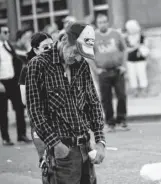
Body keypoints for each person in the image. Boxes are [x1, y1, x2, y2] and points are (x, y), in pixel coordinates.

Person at [25, 22, 106, 184]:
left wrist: (100, 140)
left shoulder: (81, 64)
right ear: (64, 40)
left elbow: (93, 103)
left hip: (85, 147)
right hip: (62, 151)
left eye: (81, 54)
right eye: (76, 51)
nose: (77, 57)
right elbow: (35, 111)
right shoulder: (38, 65)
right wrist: (55, 143)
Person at [19, 31, 53, 184]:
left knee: (65, 162)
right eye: (46, 47)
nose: (51, 49)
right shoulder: (27, 70)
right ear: (36, 50)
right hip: (40, 122)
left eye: (53, 46)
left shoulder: (57, 66)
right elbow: (25, 100)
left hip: (60, 121)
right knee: (47, 161)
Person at [91, 13, 129, 132]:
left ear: (108, 22)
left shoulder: (116, 34)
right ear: (97, 24)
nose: (103, 24)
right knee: (106, 98)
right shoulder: (92, 37)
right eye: (100, 22)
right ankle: (110, 122)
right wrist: (96, 70)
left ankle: (121, 120)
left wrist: (124, 66)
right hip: (103, 72)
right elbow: (89, 56)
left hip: (117, 70)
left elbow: (125, 50)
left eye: (104, 21)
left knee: (121, 95)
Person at [0, 25, 31, 146]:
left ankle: (21, 135)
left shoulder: (8, 46)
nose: (7, 34)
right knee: (3, 111)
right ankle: (6, 138)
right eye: (5, 32)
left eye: (8, 32)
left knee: (19, 107)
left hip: (13, 81)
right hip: (2, 82)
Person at [125, 19, 150, 97]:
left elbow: (146, 47)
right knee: (132, 75)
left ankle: (144, 91)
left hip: (141, 59)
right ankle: (134, 91)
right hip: (130, 60)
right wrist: (136, 46)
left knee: (142, 74)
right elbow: (126, 50)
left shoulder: (142, 37)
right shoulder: (126, 38)